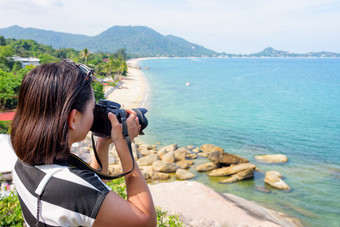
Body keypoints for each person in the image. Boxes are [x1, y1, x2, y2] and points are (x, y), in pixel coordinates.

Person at [10, 60, 157, 226]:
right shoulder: (69, 188)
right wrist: (124, 145)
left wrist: (102, 143)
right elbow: (146, 221)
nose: (94, 114)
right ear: (73, 119)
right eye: (92, 108)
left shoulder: (23, 164)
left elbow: (91, 194)